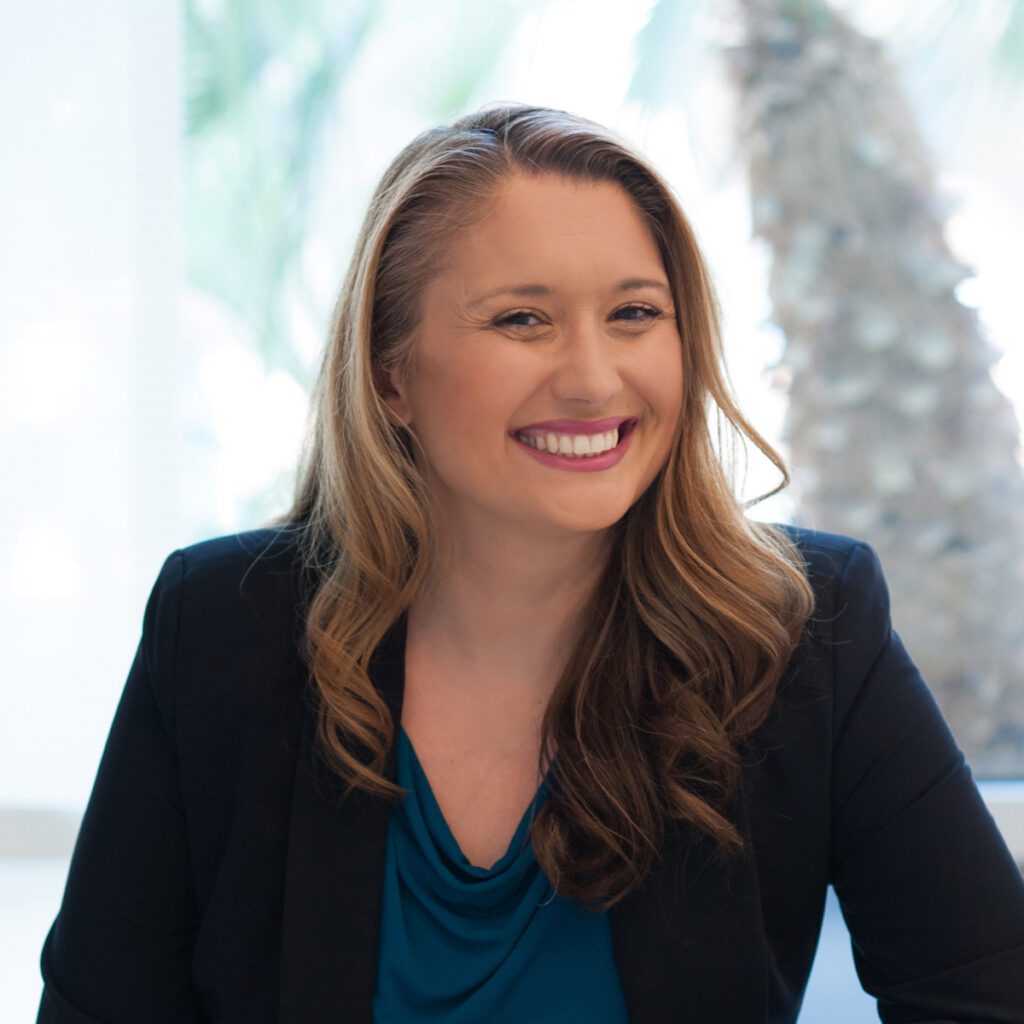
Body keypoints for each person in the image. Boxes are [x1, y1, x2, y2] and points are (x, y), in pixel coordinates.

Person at [37, 102, 1024, 1024]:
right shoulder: (221, 623)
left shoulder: (807, 627)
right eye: (523, 320)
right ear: (390, 375)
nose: (594, 379)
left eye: (635, 313)